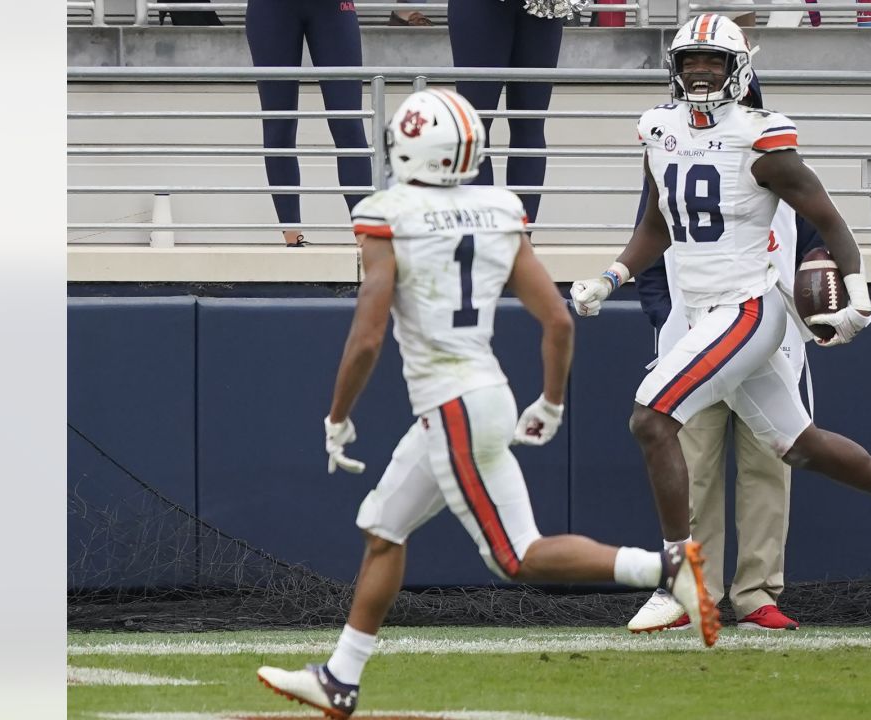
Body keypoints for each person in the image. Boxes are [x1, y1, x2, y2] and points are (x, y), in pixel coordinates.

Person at [255, 89, 719, 719]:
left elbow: (366, 337)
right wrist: (552, 402)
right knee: (384, 530)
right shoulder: (497, 210)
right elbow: (557, 321)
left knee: (517, 556)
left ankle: (664, 567)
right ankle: (341, 677)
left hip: (451, 407)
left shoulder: (388, 213)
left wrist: (338, 413)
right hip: (483, 396)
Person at [570, 15, 871, 600]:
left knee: (651, 418)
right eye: (690, 62)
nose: (700, 72)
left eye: (713, 61)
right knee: (801, 445)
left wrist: (857, 287)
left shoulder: (760, 134)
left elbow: (827, 215)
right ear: (674, 69)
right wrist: (613, 276)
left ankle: (676, 578)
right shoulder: (658, 128)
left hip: (747, 309)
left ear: (740, 68)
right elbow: (658, 221)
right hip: (699, 310)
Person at [627, 75, 821, 634]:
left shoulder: (776, 158)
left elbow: (814, 241)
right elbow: (650, 233)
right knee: (692, 466)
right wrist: (663, 314)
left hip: (764, 330)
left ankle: (757, 592)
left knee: (770, 467)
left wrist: (820, 287)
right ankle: (695, 592)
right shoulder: (673, 152)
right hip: (694, 331)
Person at [245, 0, 373, 246]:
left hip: (331, 8)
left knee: (348, 123)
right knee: (279, 124)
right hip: (272, 9)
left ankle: (366, 236)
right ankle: (292, 237)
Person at [447, 0, 568, 223]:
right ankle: (481, 239)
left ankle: (521, 241)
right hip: (481, 7)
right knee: (475, 127)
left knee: (529, 123)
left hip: (545, 5)